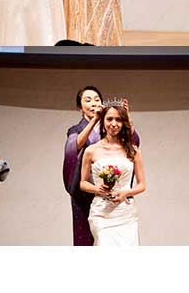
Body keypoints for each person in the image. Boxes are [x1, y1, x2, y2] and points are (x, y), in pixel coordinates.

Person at [62, 86, 140, 245]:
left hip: (115, 193)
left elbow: (133, 144)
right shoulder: (76, 129)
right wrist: (94, 121)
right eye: (88, 100)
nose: (93, 103)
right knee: (88, 239)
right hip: (86, 193)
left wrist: (125, 118)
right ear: (80, 107)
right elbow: (73, 147)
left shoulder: (110, 125)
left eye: (97, 99)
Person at [80, 104, 146, 245]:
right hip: (101, 212)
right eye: (109, 119)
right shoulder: (91, 150)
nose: (114, 124)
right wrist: (97, 189)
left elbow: (142, 185)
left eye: (118, 119)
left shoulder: (133, 151)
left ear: (123, 123)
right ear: (103, 121)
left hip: (125, 212)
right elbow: (82, 183)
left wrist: (125, 193)